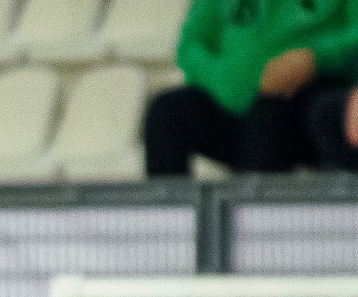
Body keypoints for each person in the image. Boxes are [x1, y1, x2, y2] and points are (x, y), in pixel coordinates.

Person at [143, 0, 358, 177]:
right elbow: (191, 45)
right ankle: (171, 223)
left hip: (306, 103)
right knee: (166, 112)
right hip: (234, 106)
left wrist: (315, 58)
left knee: (274, 108)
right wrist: (224, 80)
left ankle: (258, 222)